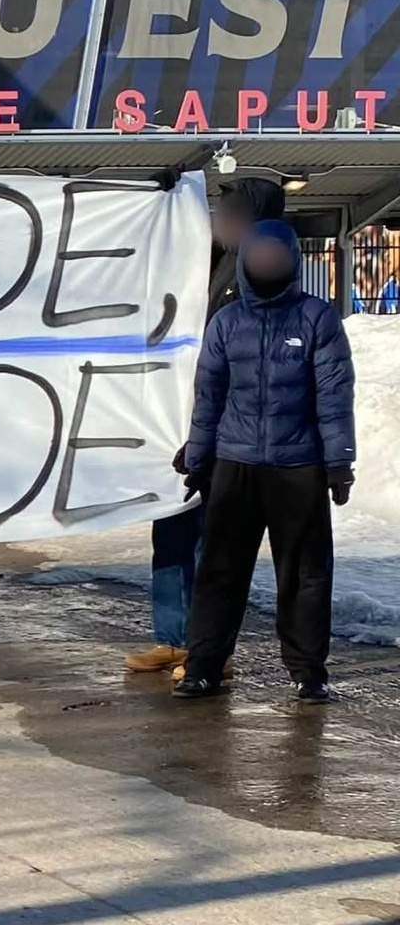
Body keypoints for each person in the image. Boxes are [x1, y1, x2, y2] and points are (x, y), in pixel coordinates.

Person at [173, 219, 354, 704]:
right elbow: (208, 398)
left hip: (299, 468)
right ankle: (203, 668)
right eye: (260, 255)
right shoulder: (227, 322)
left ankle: (308, 672)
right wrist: (198, 456)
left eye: (276, 254)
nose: (267, 262)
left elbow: (334, 396)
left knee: (304, 576)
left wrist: (339, 463)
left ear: (292, 259)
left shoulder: (318, 318)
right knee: (220, 571)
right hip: (235, 466)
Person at [126, 177, 285, 677]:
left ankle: (210, 648)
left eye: (232, 211)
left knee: (212, 542)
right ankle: (173, 638)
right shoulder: (207, 262)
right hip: (179, 421)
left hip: (225, 431)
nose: (220, 220)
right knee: (171, 530)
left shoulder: (265, 275)